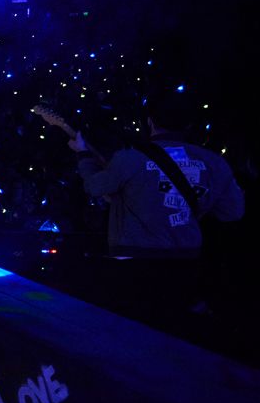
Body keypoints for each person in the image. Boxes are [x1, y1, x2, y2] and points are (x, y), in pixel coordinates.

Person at [68, 89, 244, 335]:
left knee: (134, 330)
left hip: (133, 260)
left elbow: (95, 187)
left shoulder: (130, 158)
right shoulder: (214, 162)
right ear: (191, 123)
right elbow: (232, 212)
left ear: (149, 121)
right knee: (176, 331)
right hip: (186, 262)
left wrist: (84, 155)